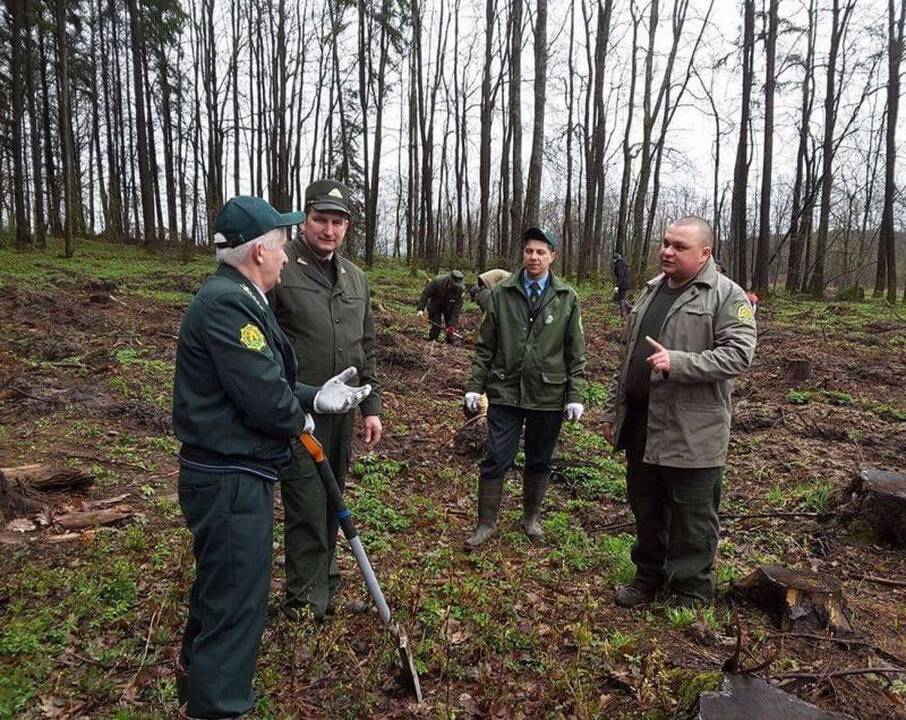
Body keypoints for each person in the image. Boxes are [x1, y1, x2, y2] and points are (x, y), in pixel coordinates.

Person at [172, 195, 371, 719]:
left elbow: (271, 378)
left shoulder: (242, 296)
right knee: (237, 603)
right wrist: (298, 415)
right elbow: (262, 393)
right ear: (259, 251)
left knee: (222, 588)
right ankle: (219, 707)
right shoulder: (227, 304)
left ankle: (195, 679)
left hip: (235, 472)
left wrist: (312, 395)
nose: (287, 253)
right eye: (281, 243)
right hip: (228, 477)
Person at [601, 215, 756, 609]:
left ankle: (690, 594)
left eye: (679, 246)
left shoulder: (726, 295)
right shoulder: (652, 290)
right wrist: (611, 412)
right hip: (642, 424)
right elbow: (628, 356)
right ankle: (647, 579)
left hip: (693, 430)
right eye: (666, 243)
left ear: (705, 253)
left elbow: (739, 354)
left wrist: (680, 362)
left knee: (692, 519)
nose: (667, 251)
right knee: (646, 507)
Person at [269, 179, 382, 622]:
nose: (328, 230)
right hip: (299, 412)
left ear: (347, 227)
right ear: (305, 220)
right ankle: (303, 604)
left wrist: (371, 407)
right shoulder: (282, 268)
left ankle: (326, 591)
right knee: (306, 507)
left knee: (333, 502)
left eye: (337, 222)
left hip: (343, 414)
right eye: (320, 220)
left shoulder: (355, 277)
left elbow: (365, 347)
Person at [463, 226, 587, 547]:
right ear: (523, 254)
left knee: (539, 458)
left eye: (541, 252)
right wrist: (474, 386)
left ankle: (531, 518)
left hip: (549, 394)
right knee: (496, 457)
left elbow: (576, 351)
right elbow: (485, 347)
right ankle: (485, 523)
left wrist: (575, 395)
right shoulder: (502, 293)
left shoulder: (566, 298)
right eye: (529, 251)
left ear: (552, 257)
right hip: (505, 391)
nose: (534, 257)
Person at [417, 270, 465, 343]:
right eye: (454, 284)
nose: (455, 287)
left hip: (449, 307)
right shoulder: (437, 281)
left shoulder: (460, 290)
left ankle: (449, 341)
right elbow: (426, 294)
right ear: (450, 281)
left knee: (450, 329)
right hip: (435, 305)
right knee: (436, 326)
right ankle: (432, 339)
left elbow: (456, 309)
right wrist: (421, 309)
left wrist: (452, 325)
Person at [612, 253, 631, 319]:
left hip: (622, 284)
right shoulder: (623, 264)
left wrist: (617, 286)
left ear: (615, 259)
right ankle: (630, 310)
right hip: (626, 283)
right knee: (622, 298)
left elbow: (621, 276)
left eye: (613, 260)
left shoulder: (618, 265)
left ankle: (623, 316)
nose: (613, 261)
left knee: (620, 299)